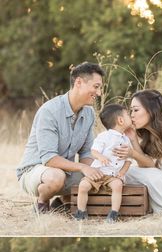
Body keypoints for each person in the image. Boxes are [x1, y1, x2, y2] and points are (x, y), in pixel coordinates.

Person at [16, 62, 105, 214]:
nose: (99, 93)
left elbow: (86, 154)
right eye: (96, 87)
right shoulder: (50, 111)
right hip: (35, 171)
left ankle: (62, 203)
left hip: (65, 172)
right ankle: (42, 204)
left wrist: (94, 172)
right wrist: (83, 168)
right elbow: (49, 159)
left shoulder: (89, 114)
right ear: (79, 82)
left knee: (102, 176)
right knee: (56, 177)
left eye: (100, 88)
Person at [75, 104, 132, 222]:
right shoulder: (104, 136)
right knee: (83, 186)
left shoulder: (126, 139)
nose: (130, 116)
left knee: (117, 185)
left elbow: (128, 161)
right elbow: (93, 151)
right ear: (120, 120)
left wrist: (121, 173)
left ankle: (113, 213)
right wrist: (101, 157)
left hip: (113, 175)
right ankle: (81, 211)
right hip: (98, 172)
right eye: (128, 114)